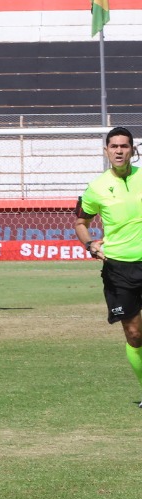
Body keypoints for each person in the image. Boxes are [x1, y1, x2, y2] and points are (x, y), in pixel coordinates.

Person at [75, 127, 142, 408]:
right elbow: (81, 222)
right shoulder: (96, 188)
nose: (118, 150)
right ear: (106, 151)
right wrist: (90, 244)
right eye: (113, 146)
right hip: (118, 269)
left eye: (124, 146)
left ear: (132, 150)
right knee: (134, 333)